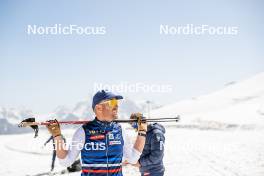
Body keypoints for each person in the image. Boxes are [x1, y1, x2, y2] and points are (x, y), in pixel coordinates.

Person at [46, 90, 147, 176]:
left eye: (117, 103)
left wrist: (142, 132)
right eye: (112, 103)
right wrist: (57, 136)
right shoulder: (83, 132)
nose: (116, 106)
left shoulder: (120, 130)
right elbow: (65, 161)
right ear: (99, 108)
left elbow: (133, 158)